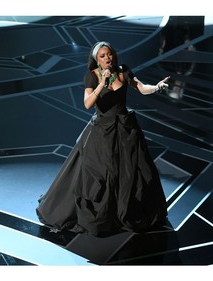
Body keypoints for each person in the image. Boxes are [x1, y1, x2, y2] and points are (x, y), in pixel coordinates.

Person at [36, 41, 169, 236]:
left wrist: (156, 87)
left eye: (109, 54)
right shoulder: (92, 75)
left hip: (125, 129)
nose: (108, 58)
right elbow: (88, 104)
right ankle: (103, 215)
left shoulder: (123, 71)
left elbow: (140, 88)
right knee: (102, 173)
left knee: (132, 171)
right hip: (102, 132)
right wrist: (101, 84)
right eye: (103, 56)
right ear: (96, 59)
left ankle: (128, 211)